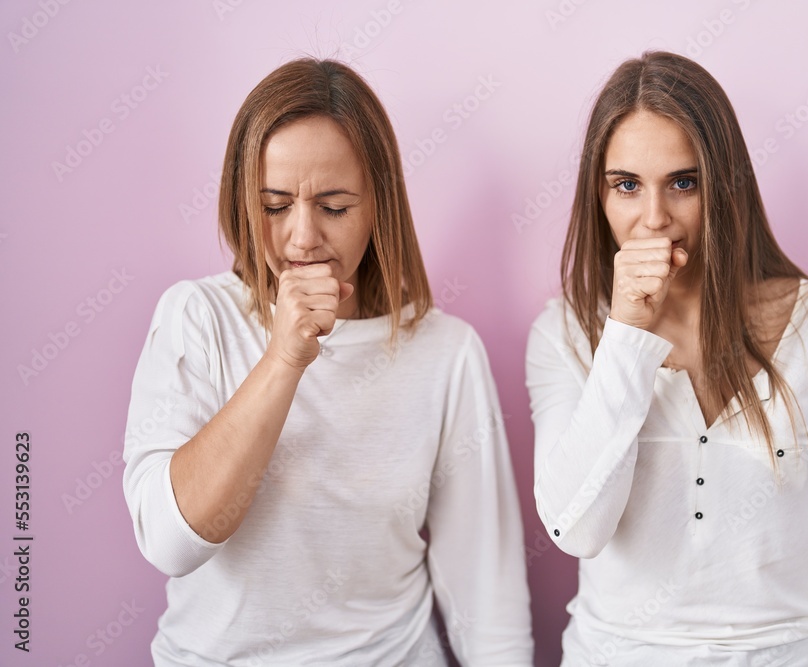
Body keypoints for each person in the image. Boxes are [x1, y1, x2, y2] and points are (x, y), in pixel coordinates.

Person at [122, 57, 533, 666]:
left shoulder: (446, 353)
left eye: (335, 207)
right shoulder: (197, 317)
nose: (303, 237)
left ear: (378, 207)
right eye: (274, 204)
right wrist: (285, 358)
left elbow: (485, 586)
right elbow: (170, 541)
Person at [526, 51, 808, 666]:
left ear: (725, 182)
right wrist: (628, 333)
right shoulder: (564, 334)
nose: (654, 219)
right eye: (627, 185)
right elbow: (577, 529)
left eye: (684, 183)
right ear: (598, 193)